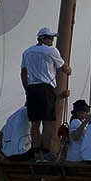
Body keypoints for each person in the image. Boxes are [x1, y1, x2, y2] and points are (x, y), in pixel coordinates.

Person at [20, 26, 70, 160]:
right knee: (48, 122)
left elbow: (23, 73)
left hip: (31, 89)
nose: (52, 41)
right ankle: (47, 150)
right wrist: (69, 70)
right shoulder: (51, 51)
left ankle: (36, 151)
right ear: (44, 38)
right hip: (45, 89)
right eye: (50, 38)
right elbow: (64, 67)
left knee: (35, 123)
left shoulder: (27, 52)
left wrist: (27, 89)